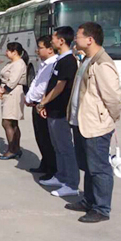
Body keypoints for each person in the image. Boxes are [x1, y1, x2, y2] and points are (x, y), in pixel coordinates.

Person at [66, 22, 121, 223]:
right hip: (81, 123)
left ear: (90, 39)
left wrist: (107, 119)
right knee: (88, 166)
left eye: (78, 36)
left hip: (95, 126)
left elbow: (113, 99)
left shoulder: (102, 64)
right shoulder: (88, 60)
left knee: (99, 168)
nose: (75, 39)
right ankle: (89, 201)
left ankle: (101, 208)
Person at [36, 27, 80, 197]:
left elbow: (60, 86)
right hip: (53, 110)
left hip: (61, 111)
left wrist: (43, 102)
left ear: (61, 41)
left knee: (65, 148)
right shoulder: (60, 60)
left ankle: (71, 183)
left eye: (54, 37)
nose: (52, 40)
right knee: (57, 146)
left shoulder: (68, 60)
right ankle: (61, 176)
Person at [25, 36, 58, 180]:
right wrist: (28, 98)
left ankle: (52, 169)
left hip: (43, 105)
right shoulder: (44, 63)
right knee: (40, 136)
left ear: (50, 49)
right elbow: (35, 83)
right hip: (36, 104)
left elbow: (44, 86)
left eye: (40, 47)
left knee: (47, 139)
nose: (37, 50)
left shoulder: (53, 64)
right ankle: (45, 163)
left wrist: (37, 101)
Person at [0, 42, 28, 160]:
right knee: (12, 122)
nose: (6, 53)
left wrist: (3, 90)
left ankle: (12, 149)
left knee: (8, 121)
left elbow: (12, 81)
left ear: (14, 52)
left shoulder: (19, 64)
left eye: (8, 51)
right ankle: (15, 147)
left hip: (13, 93)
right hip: (7, 93)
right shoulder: (11, 63)